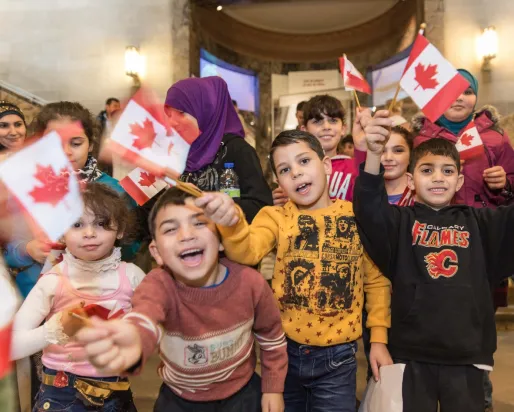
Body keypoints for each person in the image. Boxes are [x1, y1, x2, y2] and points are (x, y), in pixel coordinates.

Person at [194, 130, 392, 412]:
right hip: (283, 353)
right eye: (285, 169)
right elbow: (246, 250)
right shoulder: (274, 217)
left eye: (303, 162)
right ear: (279, 182)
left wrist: (379, 340)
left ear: (325, 166)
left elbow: (376, 282)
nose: (296, 173)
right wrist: (231, 223)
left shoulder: (354, 215)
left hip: (339, 357)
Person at [354, 111, 514, 412]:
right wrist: (373, 156)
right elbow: (369, 210)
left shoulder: (481, 223)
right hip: (410, 353)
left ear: (460, 181)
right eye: (427, 170)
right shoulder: (400, 222)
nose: (438, 177)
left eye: (447, 171)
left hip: (467, 353)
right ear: (411, 181)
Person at [75, 187, 288, 412]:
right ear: (157, 253)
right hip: (178, 400)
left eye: (199, 223)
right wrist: (134, 339)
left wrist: (273, 388)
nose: (186, 235)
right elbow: (145, 317)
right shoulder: (159, 285)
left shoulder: (251, 283)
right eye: (170, 229)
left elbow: (271, 337)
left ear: (222, 240)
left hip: (244, 395)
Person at [412, 68, 514, 410]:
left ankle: (478, 396)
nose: (460, 97)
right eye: (451, 90)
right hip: (431, 246)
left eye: (467, 91)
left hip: (481, 250)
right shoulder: (418, 140)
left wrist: (505, 184)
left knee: (478, 333)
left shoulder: (495, 141)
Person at [11, 183, 144, 411]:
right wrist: (54, 330)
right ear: (62, 232)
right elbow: (12, 345)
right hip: (60, 395)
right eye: (77, 224)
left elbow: (162, 329)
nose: (89, 233)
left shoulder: (133, 277)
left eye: (101, 224)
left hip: (117, 393)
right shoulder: (53, 281)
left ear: (120, 230)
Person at [5, 101, 139, 300]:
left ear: (90, 144)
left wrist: (99, 248)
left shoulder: (113, 190)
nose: (66, 152)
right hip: (34, 293)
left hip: (94, 294)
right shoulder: (26, 187)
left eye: (75, 143)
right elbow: (10, 246)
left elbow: (130, 246)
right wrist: (28, 249)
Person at [164, 76, 272, 223]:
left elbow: (261, 207)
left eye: (181, 113)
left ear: (204, 110)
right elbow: (142, 206)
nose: (172, 122)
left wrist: (214, 207)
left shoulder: (237, 150)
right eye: (169, 115)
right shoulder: (172, 152)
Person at [273, 94, 368, 206]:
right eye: (318, 121)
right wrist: (279, 204)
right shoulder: (295, 171)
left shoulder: (355, 167)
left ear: (343, 129)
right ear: (304, 130)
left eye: (333, 120)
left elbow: (369, 197)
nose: (326, 127)